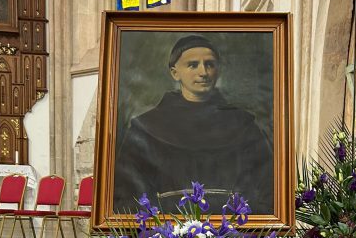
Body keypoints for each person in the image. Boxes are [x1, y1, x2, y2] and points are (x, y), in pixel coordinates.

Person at [114, 35, 274, 214]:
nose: (203, 72)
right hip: (163, 228)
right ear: (175, 73)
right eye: (193, 65)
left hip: (234, 227)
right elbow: (127, 194)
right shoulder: (146, 127)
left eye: (210, 64)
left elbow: (267, 189)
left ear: (218, 70)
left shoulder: (244, 126)